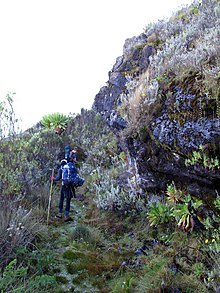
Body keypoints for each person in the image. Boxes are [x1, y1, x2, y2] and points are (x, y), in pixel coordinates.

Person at [51, 156, 77, 222]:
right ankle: (66, 216)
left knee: (61, 199)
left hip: (63, 186)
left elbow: (58, 178)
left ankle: (59, 214)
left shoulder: (61, 169)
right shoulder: (69, 168)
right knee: (68, 200)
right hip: (69, 186)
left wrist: (53, 178)